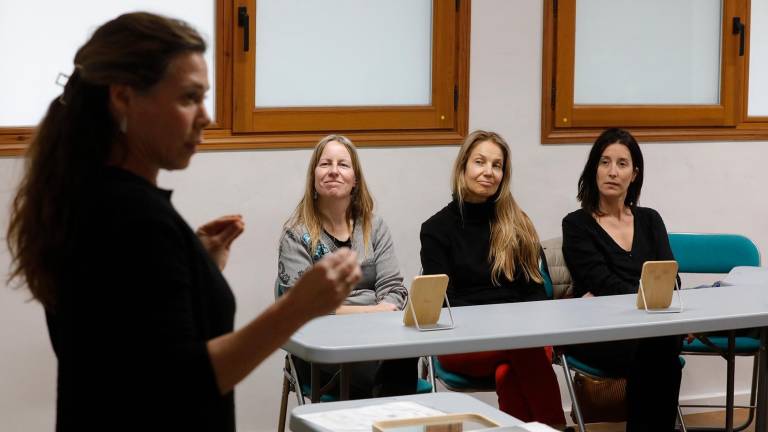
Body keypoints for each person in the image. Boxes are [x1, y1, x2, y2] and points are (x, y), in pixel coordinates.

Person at [5, 13, 361, 432]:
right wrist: (297, 308)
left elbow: (130, 340)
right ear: (124, 98)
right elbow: (179, 383)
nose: (206, 116)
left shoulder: (94, 199)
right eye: (189, 98)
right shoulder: (132, 218)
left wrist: (197, 266)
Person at [420, 130, 566, 426]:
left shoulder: (516, 222)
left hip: (523, 339)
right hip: (463, 342)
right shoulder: (436, 230)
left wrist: (509, 318)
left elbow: (536, 293)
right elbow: (445, 304)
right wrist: (504, 313)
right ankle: (555, 426)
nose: (488, 171)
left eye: (497, 165)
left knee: (508, 370)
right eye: (480, 162)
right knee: (522, 347)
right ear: (463, 168)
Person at [277, 134, 417, 399]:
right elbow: (303, 307)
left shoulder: (375, 227)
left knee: (404, 356)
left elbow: (393, 291)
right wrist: (373, 311)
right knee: (383, 373)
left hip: (377, 337)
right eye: (325, 164)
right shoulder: (296, 235)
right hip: (320, 346)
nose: (333, 171)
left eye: (343, 165)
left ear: (355, 180)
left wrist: (375, 317)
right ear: (313, 178)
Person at [562, 128, 682, 431]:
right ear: (593, 169)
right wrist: (648, 295)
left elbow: (671, 279)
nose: (612, 172)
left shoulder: (650, 219)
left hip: (651, 328)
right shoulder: (576, 224)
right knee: (661, 351)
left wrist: (648, 295)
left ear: (635, 173)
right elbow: (601, 282)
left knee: (659, 350)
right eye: (604, 162)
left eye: (622, 164)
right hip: (600, 330)